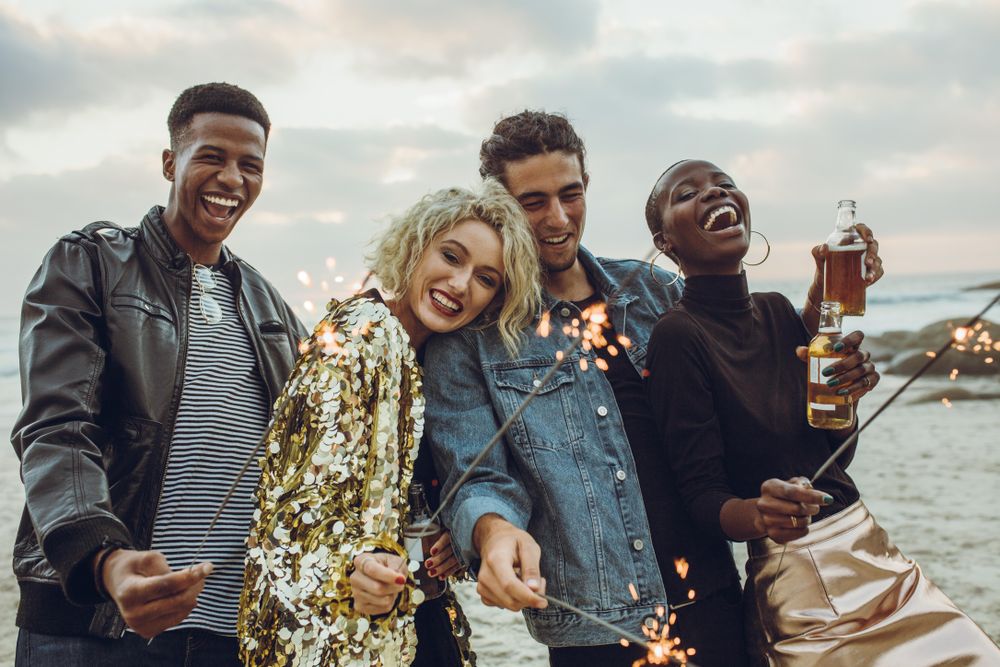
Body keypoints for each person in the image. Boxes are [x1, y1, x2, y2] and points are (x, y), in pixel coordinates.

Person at [421, 111, 885, 667]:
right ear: (500, 204)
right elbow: (478, 476)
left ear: (587, 187)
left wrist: (822, 345)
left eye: (571, 194)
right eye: (533, 202)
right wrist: (493, 534)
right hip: (594, 631)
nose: (559, 218)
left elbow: (750, 408)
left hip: (715, 600)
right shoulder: (470, 342)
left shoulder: (657, 292)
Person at [644, 158, 1000, 666]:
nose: (713, 193)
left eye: (724, 184)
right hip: (802, 588)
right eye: (687, 193)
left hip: (875, 553)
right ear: (665, 242)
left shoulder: (774, 310)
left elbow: (834, 452)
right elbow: (702, 497)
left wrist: (848, 403)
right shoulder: (677, 336)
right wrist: (762, 514)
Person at [10, 83, 306, 665]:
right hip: (95, 625)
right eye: (212, 157)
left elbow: (314, 453)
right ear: (170, 162)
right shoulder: (90, 261)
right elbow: (56, 429)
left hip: (232, 635)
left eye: (251, 165)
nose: (232, 180)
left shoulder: (271, 306)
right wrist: (106, 560)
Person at [238, 181, 542, 666]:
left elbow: (399, 492)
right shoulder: (362, 336)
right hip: (346, 632)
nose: (461, 284)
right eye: (451, 256)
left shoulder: (436, 359)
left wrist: (449, 538)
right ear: (416, 246)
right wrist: (357, 564)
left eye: (486, 279)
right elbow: (297, 501)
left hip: (414, 614)